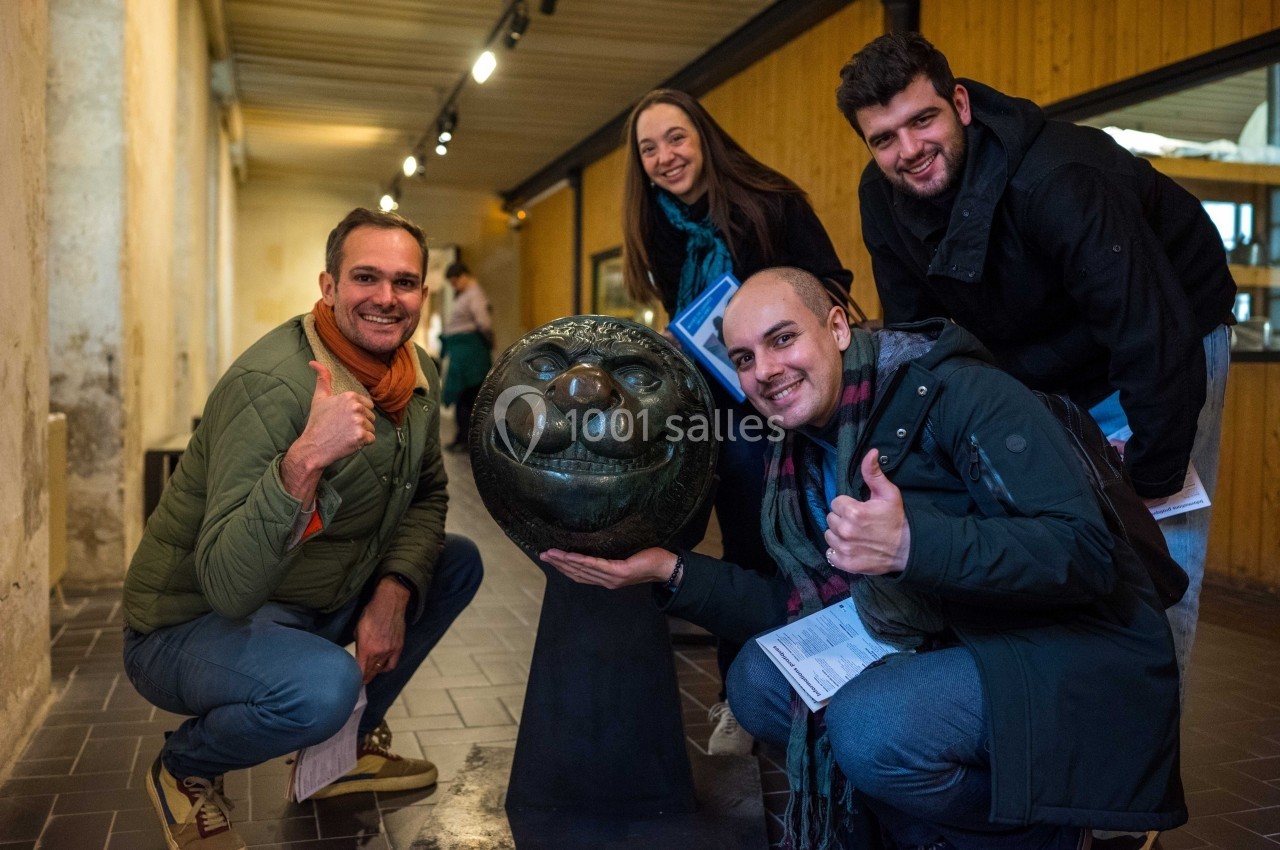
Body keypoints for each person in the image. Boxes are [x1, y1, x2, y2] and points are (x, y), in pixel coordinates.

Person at [541, 267, 1184, 850]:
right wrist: (667, 570)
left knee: (872, 725)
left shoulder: (961, 394)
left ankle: (1040, 835)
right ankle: (926, 831)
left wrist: (913, 545)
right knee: (759, 685)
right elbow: (801, 608)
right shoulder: (802, 447)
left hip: (1062, 648)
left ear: (838, 327)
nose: (765, 370)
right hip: (947, 632)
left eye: (783, 339)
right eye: (743, 357)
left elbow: (1084, 553)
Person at [837, 33, 1236, 706]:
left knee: (1154, 552)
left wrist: (1152, 474)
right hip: (1039, 352)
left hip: (1167, 333)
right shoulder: (882, 198)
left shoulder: (1060, 176)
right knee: (1054, 530)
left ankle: (1139, 763)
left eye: (922, 120)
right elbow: (917, 337)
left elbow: (1150, 331)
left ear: (959, 103)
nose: (907, 151)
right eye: (882, 139)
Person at [122, 208, 483, 850]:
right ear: (327, 286)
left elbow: (427, 494)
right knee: (324, 688)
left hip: (309, 598)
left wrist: (392, 596)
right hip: (187, 624)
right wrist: (305, 460)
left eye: (404, 283)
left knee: (453, 563)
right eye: (364, 278)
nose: (385, 298)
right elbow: (229, 586)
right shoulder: (270, 385)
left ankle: (344, 754)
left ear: (423, 296)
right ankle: (185, 768)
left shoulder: (416, 374)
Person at [621, 87, 854, 755]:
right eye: (649, 148)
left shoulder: (769, 201)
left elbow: (831, 286)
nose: (665, 156)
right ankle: (738, 693)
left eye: (676, 138)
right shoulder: (659, 227)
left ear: (704, 136)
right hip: (715, 412)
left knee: (791, 541)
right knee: (728, 550)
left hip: (793, 406)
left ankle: (814, 684)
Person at [440, 261, 493, 453]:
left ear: (464, 276)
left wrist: (488, 341)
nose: (454, 286)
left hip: (470, 351)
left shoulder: (474, 294)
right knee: (464, 397)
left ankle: (468, 439)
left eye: (455, 282)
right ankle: (463, 437)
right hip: (463, 350)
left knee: (469, 397)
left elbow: (484, 323)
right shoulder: (465, 295)